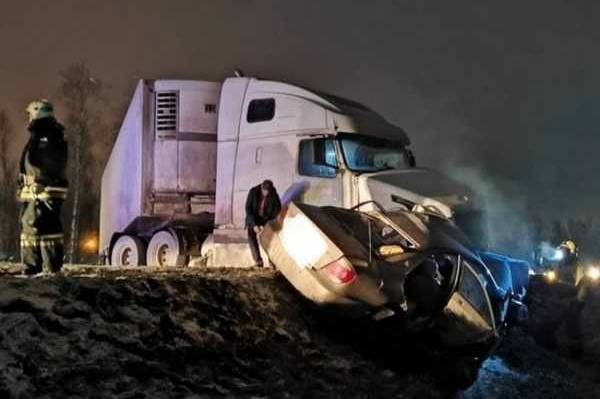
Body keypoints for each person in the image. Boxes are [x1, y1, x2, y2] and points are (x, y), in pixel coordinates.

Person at [17, 99, 68, 276]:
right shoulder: (41, 135)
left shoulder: (48, 135)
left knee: (42, 226)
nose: (29, 118)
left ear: (38, 113)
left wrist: (41, 181)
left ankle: (40, 267)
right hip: (37, 190)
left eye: (30, 114)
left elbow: (51, 162)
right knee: (34, 225)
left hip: (44, 190)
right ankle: (36, 267)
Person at [245, 180, 281, 267]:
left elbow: (276, 212)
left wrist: (267, 226)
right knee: (251, 235)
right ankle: (258, 261)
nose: (266, 193)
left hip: (267, 219)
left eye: (268, 191)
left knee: (270, 239)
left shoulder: (274, 196)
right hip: (254, 217)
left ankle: (272, 262)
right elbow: (248, 209)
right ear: (261, 188)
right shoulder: (253, 192)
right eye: (264, 191)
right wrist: (254, 225)